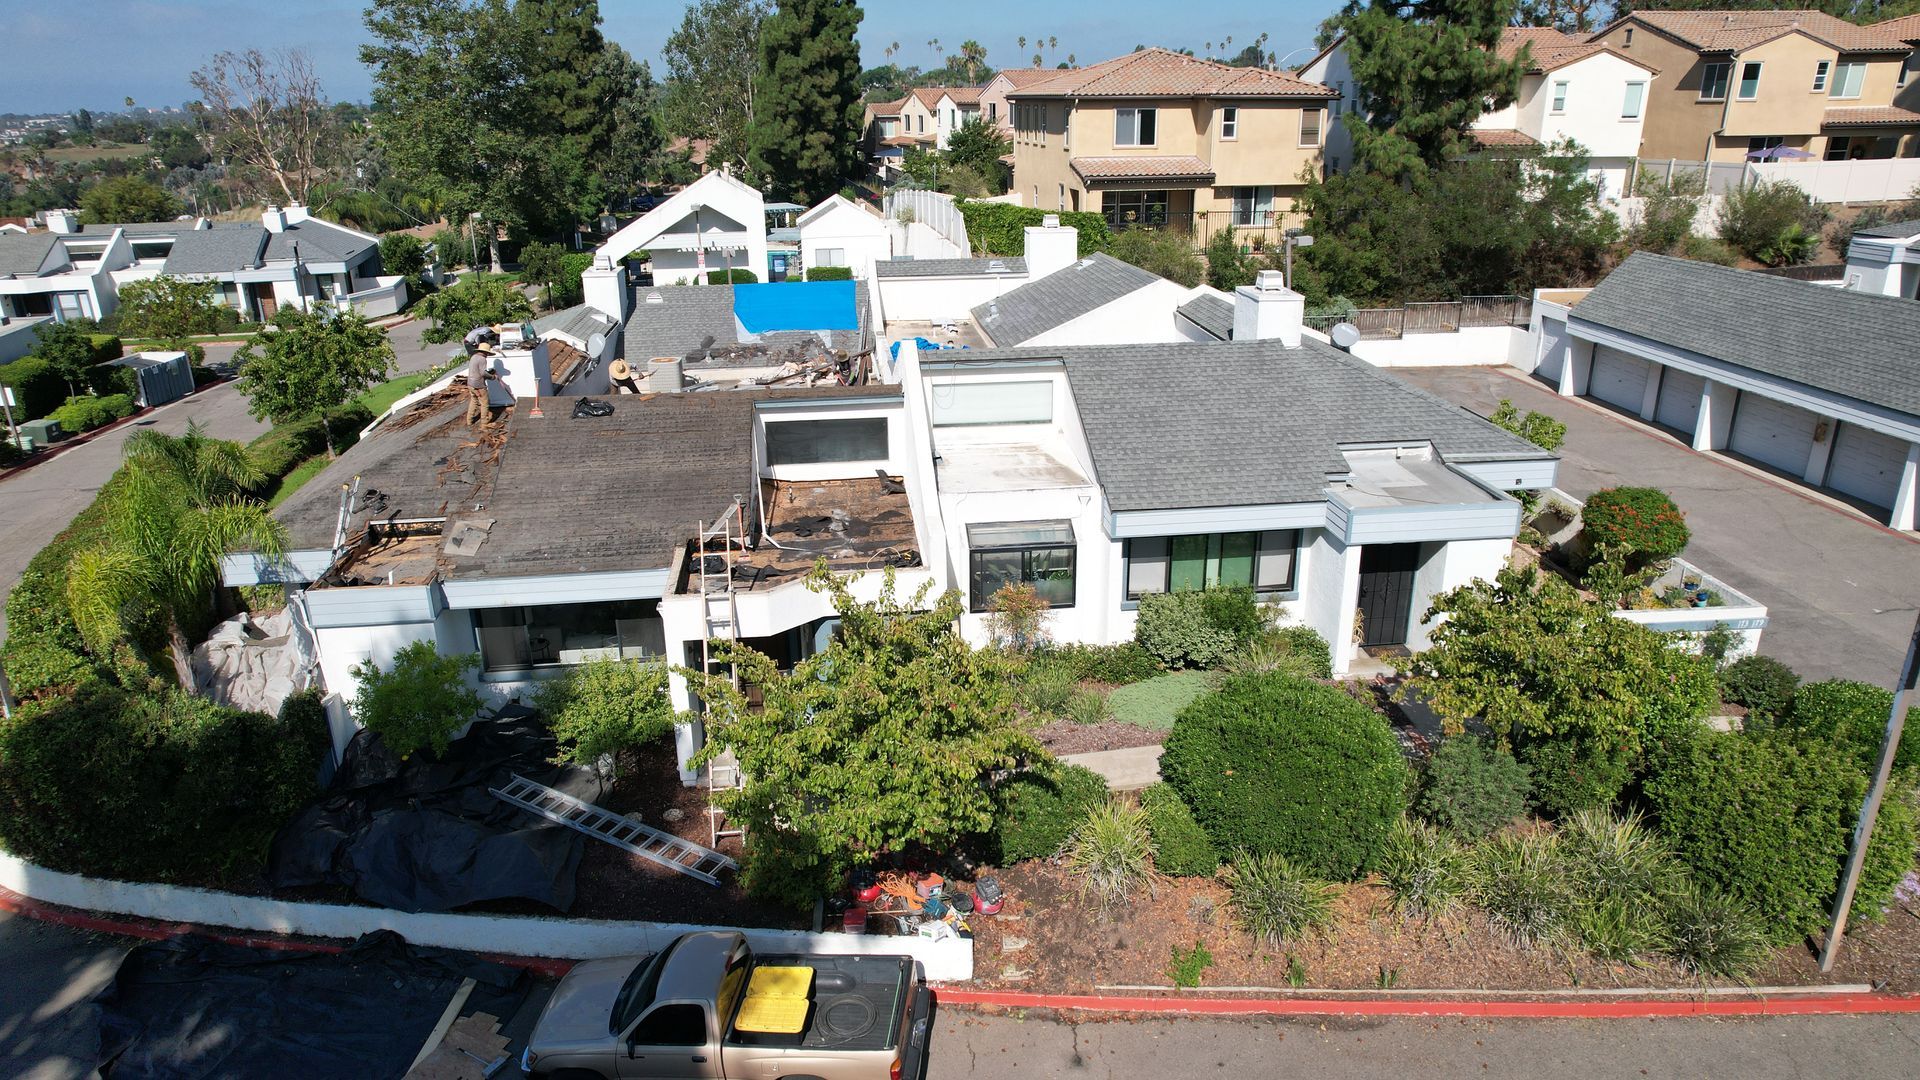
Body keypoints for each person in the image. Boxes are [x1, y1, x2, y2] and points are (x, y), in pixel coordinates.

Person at [466, 343, 497, 424]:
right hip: (478, 386)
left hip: (470, 384)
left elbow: (477, 371)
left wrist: (488, 373)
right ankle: (484, 423)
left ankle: (469, 420)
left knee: (473, 401)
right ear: (486, 352)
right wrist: (492, 377)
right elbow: (483, 373)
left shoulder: (474, 357)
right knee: (485, 404)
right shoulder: (482, 359)